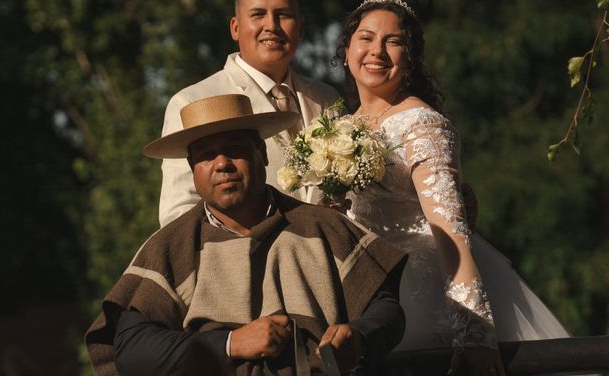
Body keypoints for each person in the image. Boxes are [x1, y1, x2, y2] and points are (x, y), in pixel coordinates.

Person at [85, 94, 408, 375]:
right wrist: (230, 344)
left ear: (262, 154)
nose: (222, 163)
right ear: (192, 169)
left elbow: (386, 309)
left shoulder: (323, 226)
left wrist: (359, 337)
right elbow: (131, 349)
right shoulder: (171, 246)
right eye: (206, 155)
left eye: (234, 149)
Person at [332, 0, 571, 375]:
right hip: (363, 289)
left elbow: (450, 231)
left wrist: (474, 333)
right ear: (346, 51)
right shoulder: (341, 127)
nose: (377, 50)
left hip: (421, 293)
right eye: (366, 37)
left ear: (410, 60)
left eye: (393, 42)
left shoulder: (422, 125)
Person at [158, 0, 340, 226]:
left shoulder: (326, 97)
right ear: (235, 27)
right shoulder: (191, 101)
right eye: (258, 14)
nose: (271, 26)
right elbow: (178, 214)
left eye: (283, 15)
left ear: (300, 28)